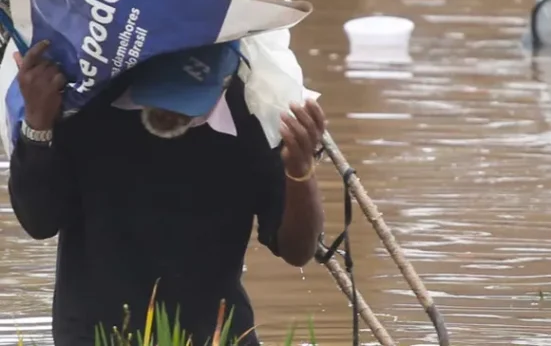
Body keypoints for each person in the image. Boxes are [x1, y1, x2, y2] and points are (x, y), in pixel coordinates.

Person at [6, 38, 326, 346]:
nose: (173, 112)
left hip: (215, 335)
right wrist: (37, 124)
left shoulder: (254, 114)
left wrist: (300, 171)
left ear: (223, 81)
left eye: (189, 99)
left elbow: (297, 250)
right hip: (97, 335)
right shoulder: (86, 102)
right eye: (165, 95)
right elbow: (39, 222)